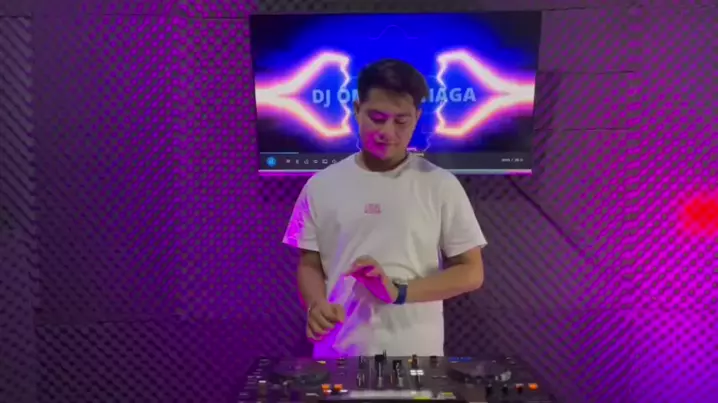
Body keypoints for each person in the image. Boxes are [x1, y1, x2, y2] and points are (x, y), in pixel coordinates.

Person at [282, 59, 487, 358]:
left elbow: (471, 272)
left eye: (401, 121)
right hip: (337, 354)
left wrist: (398, 292)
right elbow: (309, 263)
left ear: (417, 117)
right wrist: (316, 305)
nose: (388, 132)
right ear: (356, 110)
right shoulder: (320, 185)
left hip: (416, 356)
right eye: (377, 118)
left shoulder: (441, 185)